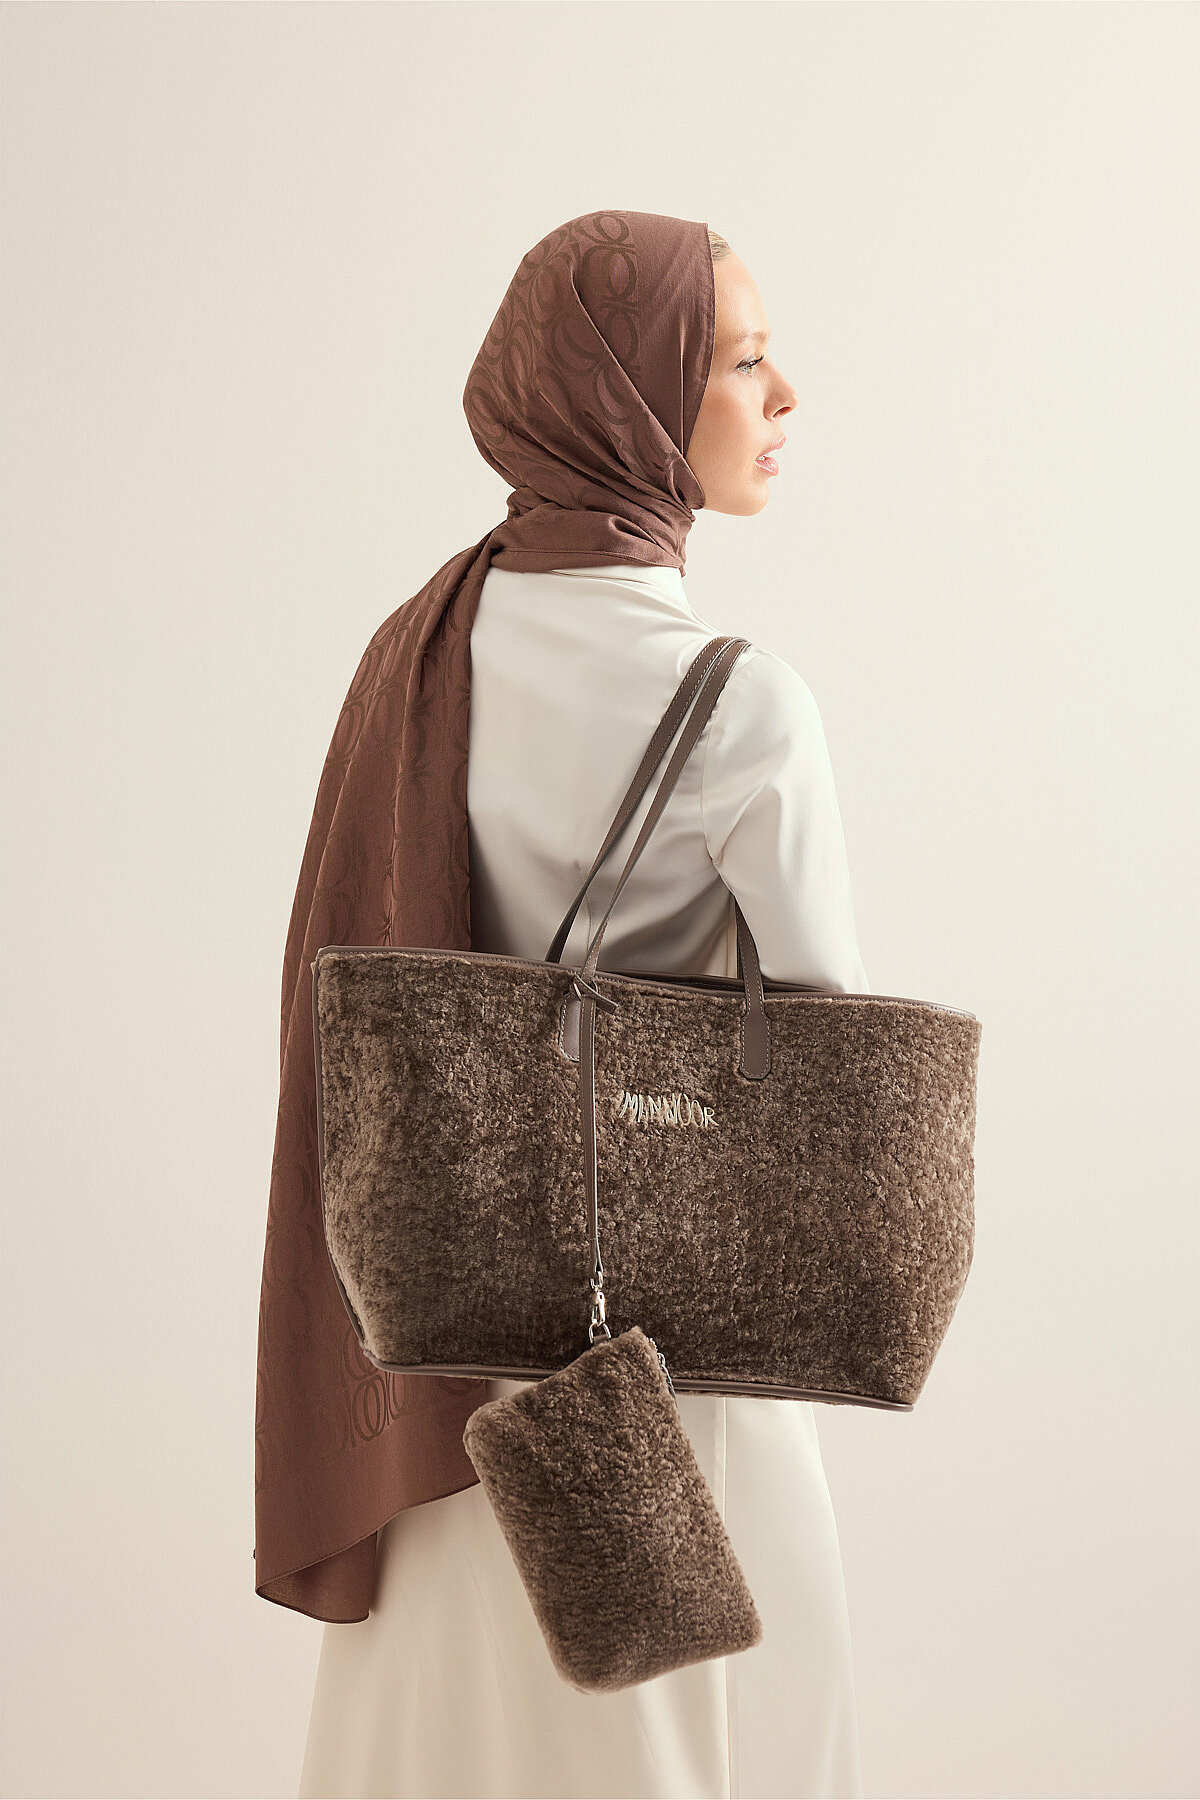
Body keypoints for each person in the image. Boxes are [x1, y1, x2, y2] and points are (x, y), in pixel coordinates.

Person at [286, 214, 868, 1798]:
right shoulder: (744, 704)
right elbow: (821, 1053)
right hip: (674, 1369)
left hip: (446, 1352)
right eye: (743, 361)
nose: (786, 396)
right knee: (703, 1734)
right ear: (634, 398)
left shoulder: (420, 649)